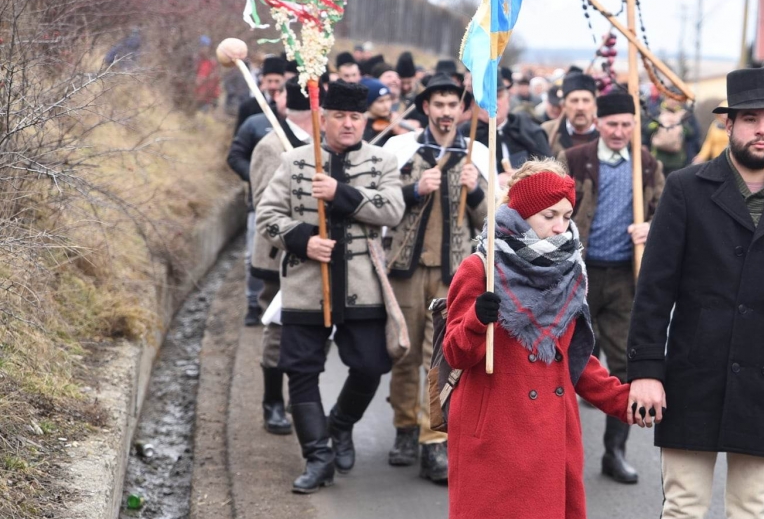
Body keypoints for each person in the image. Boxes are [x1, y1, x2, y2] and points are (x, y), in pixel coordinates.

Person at [627, 65, 764, 519]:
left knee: (750, 512)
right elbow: (654, 291)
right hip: (692, 376)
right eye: (751, 120)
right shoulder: (686, 188)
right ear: (729, 124)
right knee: (682, 508)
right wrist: (646, 370)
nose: (763, 131)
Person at [442, 160, 632, 519]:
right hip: (495, 431)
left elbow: (573, 359)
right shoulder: (481, 269)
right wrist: (476, 321)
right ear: (523, 212)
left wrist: (624, 400)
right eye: (549, 215)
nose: (560, 227)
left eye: (567, 215)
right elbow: (455, 353)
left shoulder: (571, 269)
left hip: (551, 431)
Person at [255, 80, 405, 494]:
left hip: (363, 285)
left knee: (373, 363)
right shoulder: (295, 161)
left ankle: (340, 425)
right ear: (324, 118)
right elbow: (267, 215)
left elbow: (393, 207)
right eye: (339, 116)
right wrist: (304, 238)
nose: (347, 124)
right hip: (306, 283)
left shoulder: (382, 160)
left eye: (355, 117)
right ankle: (318, 457)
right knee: (300, 370)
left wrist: (341, 193)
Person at [380, 72, 488, 484]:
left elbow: (492, 219)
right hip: (405, 269)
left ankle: (432, 441)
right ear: (425, 107)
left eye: (453, 105)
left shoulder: (476, 151)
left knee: (439, 359)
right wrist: (412, 190)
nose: (446, 113)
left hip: (454, 275)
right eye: (438, 105)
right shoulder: (399, 148)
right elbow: (381, 205)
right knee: (404, 352)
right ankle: (404, 428)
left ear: (462, 110)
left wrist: (476, 191)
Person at [557, 90, 663, 484]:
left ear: (635, 126)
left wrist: (651, 228)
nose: (619, 132)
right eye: (612, 124)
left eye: (626, 125)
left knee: (624, 365)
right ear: (599, 123)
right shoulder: (575, 159)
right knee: (569, 361)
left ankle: (614, 452)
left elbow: (666, 215)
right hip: (576, 274)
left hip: (623, 277)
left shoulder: (648, 167)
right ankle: (558, 451)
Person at [248, 80, 320, 436]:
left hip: (317, 253)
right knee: (277, 328)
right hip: (280, 253)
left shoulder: (320, 146)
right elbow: (264, 204)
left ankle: (303, 397)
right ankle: (272, 401)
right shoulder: (271, 145)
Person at [229, 84, 289, 326]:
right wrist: (256, 177)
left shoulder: (311, 130)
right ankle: (254, 303)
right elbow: (235, 156)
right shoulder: (255, 124)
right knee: (254, 253)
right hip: (260, 201)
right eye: (286, 94)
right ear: (277, 96)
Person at [462, 76, 551, 187]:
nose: (493, 103)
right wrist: (493, 182)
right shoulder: (465, 136)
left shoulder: (529, 130)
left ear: (508, 99)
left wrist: (523, 177)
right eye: (486, 98)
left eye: (498, 97)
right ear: (473, 104)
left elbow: (550, 174)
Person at [543, 71, 599, 156]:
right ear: (564, 105)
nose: (580, 107)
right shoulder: (547, 131)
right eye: (574, 101)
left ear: (595, 105)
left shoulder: (605, 132)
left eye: (586, 100)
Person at [235, 56, 287, 132]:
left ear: (284, 80)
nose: (273, 86)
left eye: (277, 81)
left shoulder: (288, 106)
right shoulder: (248, 106)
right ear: (263, 79)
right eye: (269, 81)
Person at [362, 78, 398, 145]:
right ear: (369, 104)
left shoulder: (392, 119)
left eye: (388, 99)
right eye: (380, 101)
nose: (386, 105)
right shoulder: (363, 127)